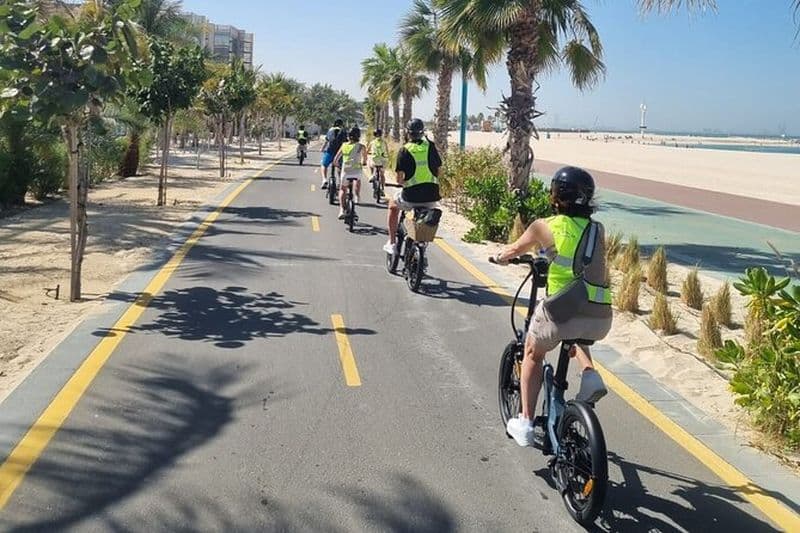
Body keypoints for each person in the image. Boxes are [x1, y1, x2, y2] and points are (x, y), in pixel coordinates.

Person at [492, 166, 613, 447]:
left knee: (533, 353)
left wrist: (500, 257)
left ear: (556, 196)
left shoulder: (542, 226)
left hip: (560, 314)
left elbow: (513, 250)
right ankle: (590, 375)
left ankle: (525, 421)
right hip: (600, 315)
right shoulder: (597, 229)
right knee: (575, 330)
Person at [383, 119, 442, 254]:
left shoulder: (404, 150)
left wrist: (407, 183)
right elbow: (439, 172)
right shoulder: (430, 146)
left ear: (408, 133)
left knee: (392, 205)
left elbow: (399, 180)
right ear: (422, 132)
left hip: (411, 197)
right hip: (432, 197)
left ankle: (392, 243)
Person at [333, 126, 368, 218]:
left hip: (346, 171)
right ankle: (357, 196)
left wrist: (337, 164)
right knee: (358, 180)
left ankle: (341, 210)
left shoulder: (344, 145)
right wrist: (364, 162)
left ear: (348, 136)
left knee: (343, 189)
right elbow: (365, 159)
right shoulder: (361, 146)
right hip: (357, 171)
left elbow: (336, 159)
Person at [321, 119, 346, 189]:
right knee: (339, 167)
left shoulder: (330, 130)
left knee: (324, 165)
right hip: (340, 152)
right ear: (341, 124)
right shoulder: (343, 131)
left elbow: (326, 141)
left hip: (330, 151)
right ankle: (340, 182)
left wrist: (322, 148)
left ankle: (324, 180)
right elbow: (345, 142)